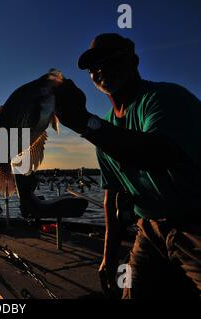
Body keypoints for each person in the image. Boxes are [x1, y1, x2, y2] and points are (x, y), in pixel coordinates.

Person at [53, 33, 201, 298]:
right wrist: (108, 257)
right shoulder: (105, 130)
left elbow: (157, 155)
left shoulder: (164, 98)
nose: (101, 70)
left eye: (112, 60)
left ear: (134, 61)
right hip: (149, 229)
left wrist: (82, 120)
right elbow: (114, 196)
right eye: (93, 67)